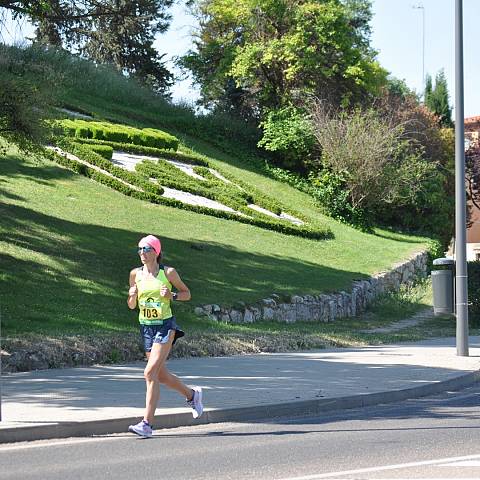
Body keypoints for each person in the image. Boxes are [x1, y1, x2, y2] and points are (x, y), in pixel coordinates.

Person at [127, 234, 203, 438]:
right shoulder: (135, 274)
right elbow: (132, 305)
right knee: (160, 375)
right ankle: (192, 395)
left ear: (156, 252)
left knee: (149, 373)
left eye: (147, 249)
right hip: (146, 328)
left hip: (165, 326)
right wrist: (132, 296)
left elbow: (187, 294)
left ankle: (147, 424)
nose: (142, 253)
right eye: (140, 249)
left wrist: (172, 296)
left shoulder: (168, 273)